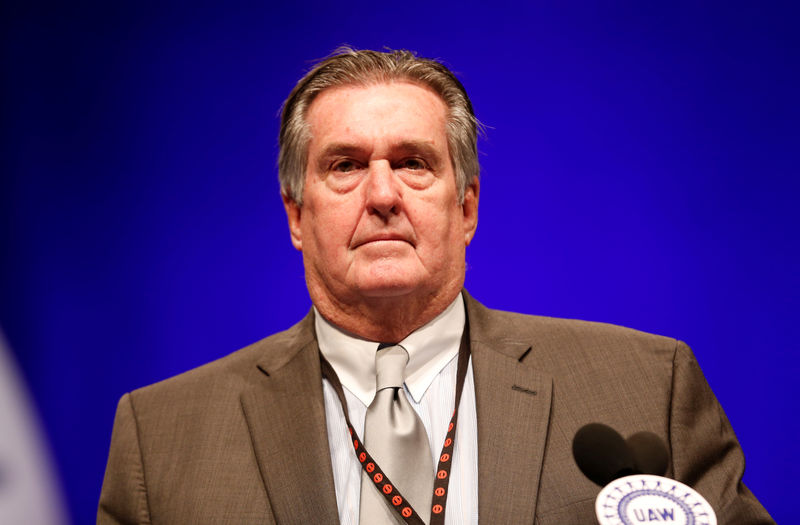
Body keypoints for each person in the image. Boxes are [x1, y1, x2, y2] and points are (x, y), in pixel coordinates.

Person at [98, 48, 772, 524]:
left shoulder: (643, 390)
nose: (383, 193)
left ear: (468, 207)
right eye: (346, 165)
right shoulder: (162, 440)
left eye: (414, 163)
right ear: (297, 215)